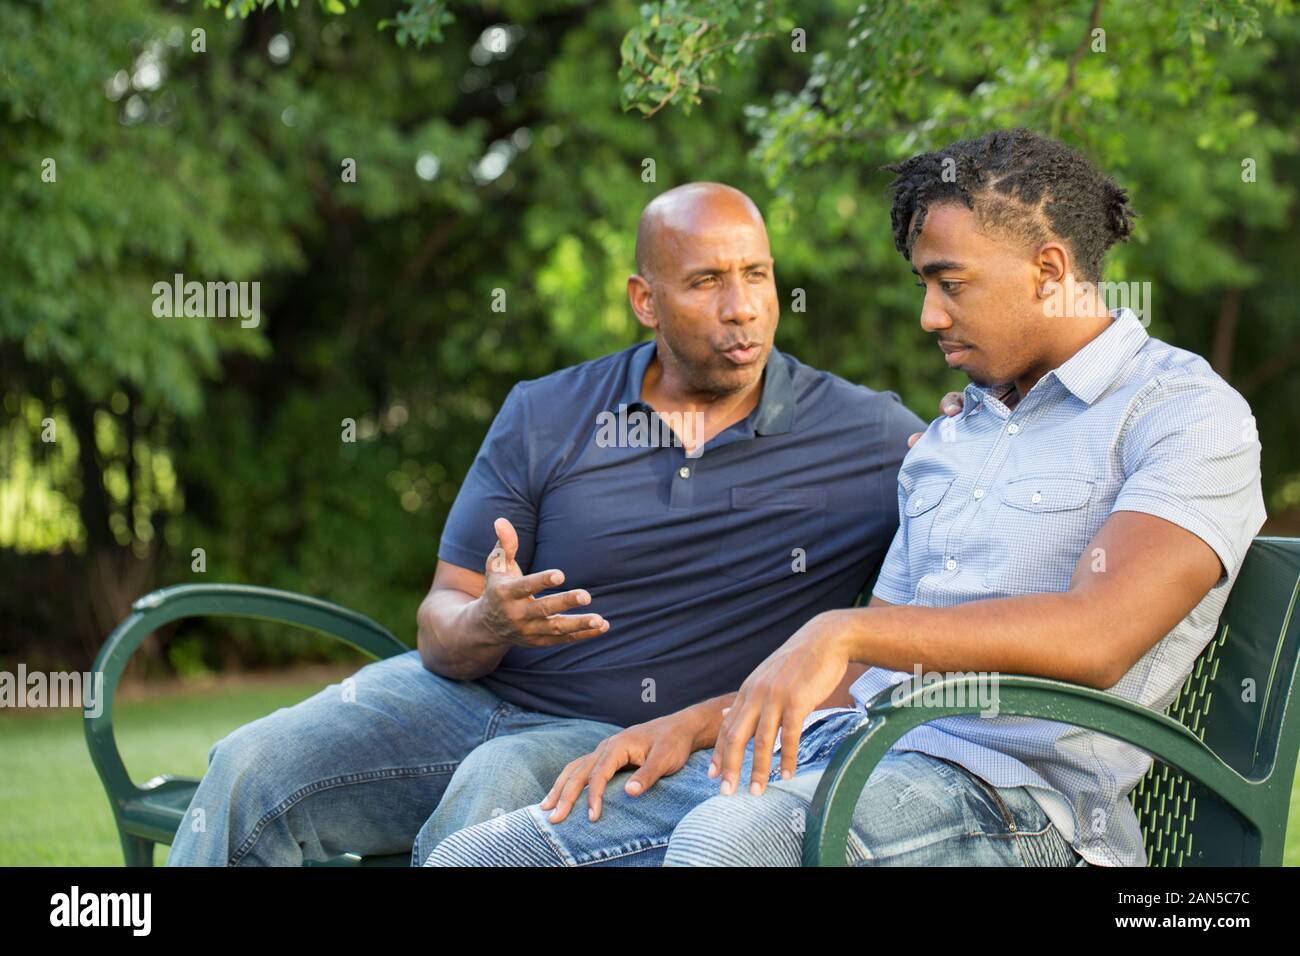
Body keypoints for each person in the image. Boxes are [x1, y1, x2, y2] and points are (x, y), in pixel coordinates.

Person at [424, 128, 1266, 868]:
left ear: (1050, 270)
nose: (930, 317)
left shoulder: (1179, 415)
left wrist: (846, 624)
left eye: (951, 284)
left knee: (728, 843)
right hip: (846, 755)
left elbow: (1101, 634)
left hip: (1015, 805)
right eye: (922, 287)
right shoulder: (955, 435)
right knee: (492, 851)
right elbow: (863, 674)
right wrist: (694, 722)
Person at [166, 181, 933, 866]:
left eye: (756, 275)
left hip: (629, 738)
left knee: (492, 791)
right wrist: (490, 620)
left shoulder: (865, 436)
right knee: (250, 766)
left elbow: (970, 516)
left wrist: (975, 427)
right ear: (645, 300)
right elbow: (439, 620)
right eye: (706, 281)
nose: (742, 307)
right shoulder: (547, 412)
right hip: (460, 699)